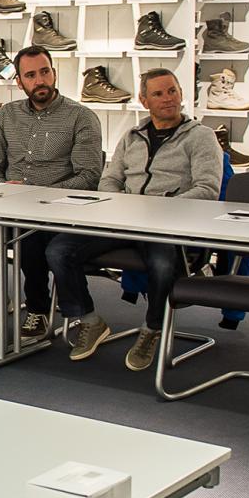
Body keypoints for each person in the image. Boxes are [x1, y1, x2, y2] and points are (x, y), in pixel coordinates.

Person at [46, 68, 222, 370]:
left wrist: (164, 211)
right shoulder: (132, 136)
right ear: (144, 100)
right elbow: (109, 180)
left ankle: (152, 328)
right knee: (58, 249)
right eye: (158, 93)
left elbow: (207, 190)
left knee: (163, 263)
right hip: (123, 220)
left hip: (167, 226)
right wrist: (120, 205)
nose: (168, 99)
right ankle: (89, 319)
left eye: (172, 91)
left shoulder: (201, 137)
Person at [0, 46, 105, 341]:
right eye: (31, 75)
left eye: (45, 72)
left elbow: (89, 176)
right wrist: (2, 188)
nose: (40, 80)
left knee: (32, 235)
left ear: (54, 73)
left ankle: (37, 307)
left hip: (57, 209)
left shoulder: (81, 117)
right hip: (7, 206)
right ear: (20, 81)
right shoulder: (6, 115)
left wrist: (39, 195)